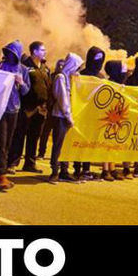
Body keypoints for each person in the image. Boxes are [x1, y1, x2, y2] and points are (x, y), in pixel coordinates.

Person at [0, 40, 31, 190]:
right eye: (8, 52)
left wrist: (21, 83)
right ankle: (0, 175)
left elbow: (26, 91)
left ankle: (2, 172)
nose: (10, 55)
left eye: (13, 53)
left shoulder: (23, 70)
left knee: (8, 142)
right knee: (1, 142)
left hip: (14, 109)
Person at [8, 41, 50, 175]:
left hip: (41, 108)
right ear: (35, 52)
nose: (44, 52)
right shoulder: (25, 66)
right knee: (19, 135)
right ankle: (12, 163)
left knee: (34, 136)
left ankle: (30, 163)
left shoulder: (45, 67)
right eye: (42, 50)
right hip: (27, 107)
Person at [48, 53, 83, 184]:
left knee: (67, 146)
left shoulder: (70, 78)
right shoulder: (60, 78)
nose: (77, 69)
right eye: (77, 66)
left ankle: (64, 171)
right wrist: (68, 116)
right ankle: (54, 172)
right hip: (61, 116)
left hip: (69, 117)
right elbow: (62, 99)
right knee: (58, 144)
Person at [74, 46, 106, 180]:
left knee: (89, 143)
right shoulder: (81, 74)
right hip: (82, 114)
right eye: (96, 58)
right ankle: (77, 168)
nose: (98, 61)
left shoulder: (101, 76)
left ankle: (86, 169)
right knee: (79, 141)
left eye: (101, 58)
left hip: (95, 115)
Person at [103, 60, 128, 180]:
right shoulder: (109, 83)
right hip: (109, 118)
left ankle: (112, 168)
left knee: (112, 144)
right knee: (106, 144)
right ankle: (105, 169)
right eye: (122, 69)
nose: (124, 71)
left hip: (117, 117)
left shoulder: (120, 83)